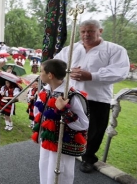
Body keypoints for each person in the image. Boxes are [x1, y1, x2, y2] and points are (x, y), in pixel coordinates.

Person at [54, 19, 129, 174]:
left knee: (94, 130)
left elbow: (120, 71)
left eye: (90, 31)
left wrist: (92, 76)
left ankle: (88, 158)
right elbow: (57, 64)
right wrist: (66, 71)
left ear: (100, 31)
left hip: (97, 98)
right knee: (69, 124)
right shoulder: (72, 49)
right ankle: (68, 151)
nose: (86, 34)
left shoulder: (114, 49)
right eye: (83, 31)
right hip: (73, 95)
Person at [32, 59, 89, 184]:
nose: (39, 74)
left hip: (62, 144)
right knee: (44, 168)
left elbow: (83, 124)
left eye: (41, 71)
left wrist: (64, 110)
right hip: (47, 140)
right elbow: (38, 113)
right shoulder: (44, 91)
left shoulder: (71, 95)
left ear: (50, 75)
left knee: (59, 174)